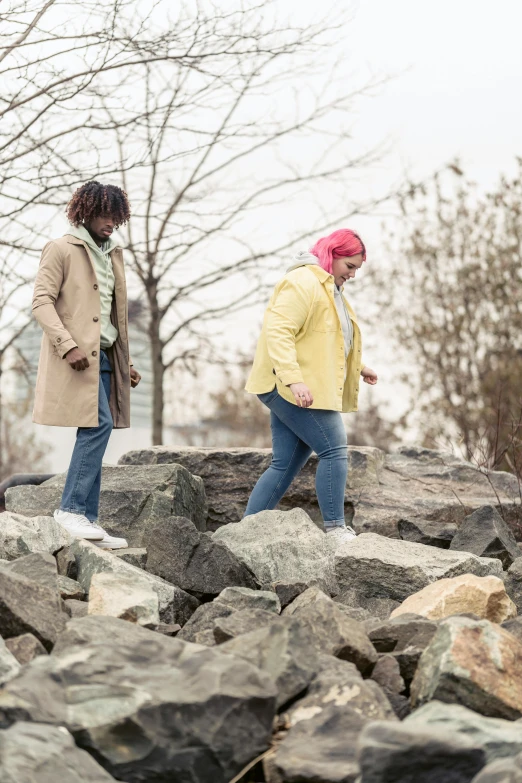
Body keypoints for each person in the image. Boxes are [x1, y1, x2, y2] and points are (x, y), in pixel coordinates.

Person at [244, 228, 377, 543]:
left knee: (285, 463)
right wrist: (294, 380)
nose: (353, 274)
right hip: (290, 384)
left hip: (303, 385)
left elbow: (325, 341)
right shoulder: (303, 282)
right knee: (335, 450)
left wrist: (358, 367)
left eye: (357, 268)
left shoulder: (330, 288)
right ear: (332, 255)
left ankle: (244, 530)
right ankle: (334, 529)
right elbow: (279, 332)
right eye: (350, 266)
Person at [32, 180, 141, 548]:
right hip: (76, 360)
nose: (112, 222)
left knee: (101, 428)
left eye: (118, 216)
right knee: (97, 427)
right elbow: (41, 302)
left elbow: (109, 316)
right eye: (106, 214)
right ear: (87, 211)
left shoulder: (113, 254)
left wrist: (126, 363)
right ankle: (70, 510)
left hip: (106, 360)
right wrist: (67, 345)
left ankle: (87, 519)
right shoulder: (61, 248)